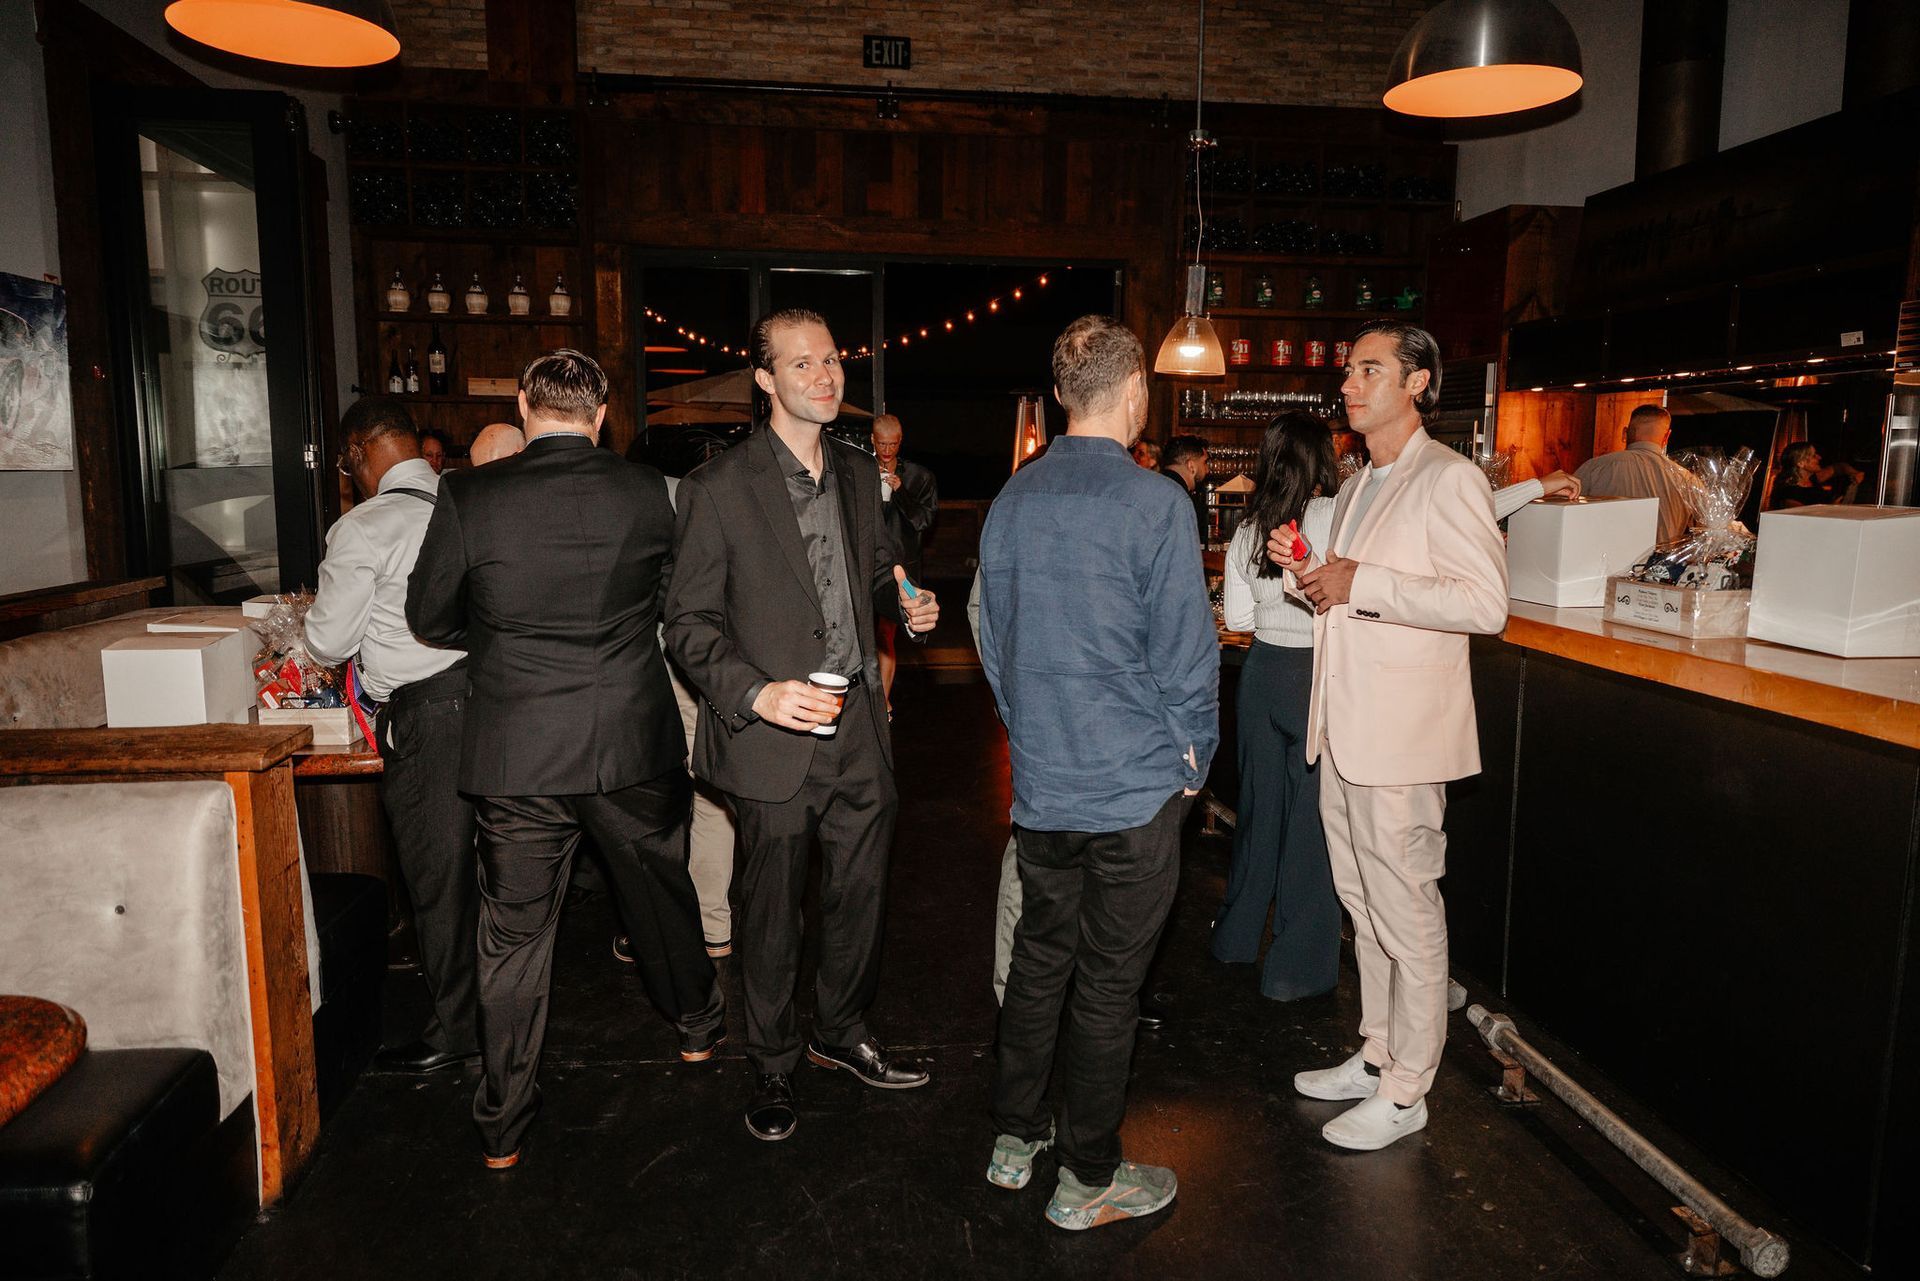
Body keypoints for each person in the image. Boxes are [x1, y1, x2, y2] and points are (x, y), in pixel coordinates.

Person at [407, 350, 723, 1169]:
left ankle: (503, 1124)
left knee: (512, 937)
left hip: (518, 753)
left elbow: (430, 617)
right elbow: (676, 602)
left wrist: (503, 634)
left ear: (523, 404)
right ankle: (693, 1025)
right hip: (629, 738)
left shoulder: (469, 494)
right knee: (659, 890)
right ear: (602, 412)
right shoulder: (652, 493)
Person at [664, 308, 940, 1143]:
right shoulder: (718, 487)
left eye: (833, 360)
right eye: (803, 364)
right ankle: (773, 1061)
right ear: (765, 380)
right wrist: (759, 694)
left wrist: (909, 602)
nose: (826, 376)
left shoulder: (860, 475)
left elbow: (879, 574)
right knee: (773, 906)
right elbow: (688, 625)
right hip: (772, 732)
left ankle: (841, 1027)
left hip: (859, 723)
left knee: (860, 891)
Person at [977, 315, 1217, 1230]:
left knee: (1040, 960)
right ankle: (1087, 1176)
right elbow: (1188, 660)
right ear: (1134, 395)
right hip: (1130, 789)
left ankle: (1014, 1137)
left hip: (1044, 784)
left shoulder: (1012, 500)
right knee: (1110, 982)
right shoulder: (1157, 503)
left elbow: (994, 643)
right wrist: (1193, 762)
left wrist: (1030, 730)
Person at [1267, 321, 1507, 1152]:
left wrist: (1360, 580)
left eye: (1370, 369)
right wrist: (1310, 574)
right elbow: (1352, 600)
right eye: (1348, 370)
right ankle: (1377, 1055)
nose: (1349, 383)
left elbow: (1484, 604)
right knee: (1365, 909)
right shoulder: (1364, 481)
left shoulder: (1451, 479)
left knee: (1408, 913)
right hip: (1346, 731)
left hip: (1404, 740)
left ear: (1419, 383)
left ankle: (1411, 1088)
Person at [305, 398, 478, 1076]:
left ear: (358, 452)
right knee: (489, 878)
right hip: (495, 701)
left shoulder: (364, 526)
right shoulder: (468, 502)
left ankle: (457, 1035)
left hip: (429, 715)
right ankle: (498, 1017)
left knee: (438, 882)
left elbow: (327, 638)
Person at [1214, 413, 1342, 1003]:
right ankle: (1294, 970)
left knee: (1258, 813)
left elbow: (1237, 621)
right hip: (1317, 674)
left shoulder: (1249, 528)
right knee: (1310, 823)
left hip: (1261, 673)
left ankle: (1235, 940)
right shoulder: (1338, 516)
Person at [871, 413, 939, 701]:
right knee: (869, 636)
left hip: (902, 569)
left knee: (887, 634)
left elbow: (923, 521)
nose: (887, 451)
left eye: (893, 444)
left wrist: (901, 492)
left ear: (901, 442)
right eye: (882, 444)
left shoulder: (919, 477)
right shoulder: (859, 472)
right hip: (867, 564)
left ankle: (883, 701)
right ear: (872, 441)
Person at [1573, 404, 1700, 544]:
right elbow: (1710, 527)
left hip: (1601, 562)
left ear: (1624, 433)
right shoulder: (1687, 479)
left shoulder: (1595, 468)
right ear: (1667, 437)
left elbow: (1565, 516)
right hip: (1662, 564)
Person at [1769, 441, 1863, 509]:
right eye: (1814, 456)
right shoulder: (1788, 493)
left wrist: (1854, 473)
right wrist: (1829, 509)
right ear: (1801, 463)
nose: (1819, 457)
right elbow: (1801, 518)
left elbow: (1838, 468)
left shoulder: (1812, 478)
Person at [1161, 433, 1210, 541]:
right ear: (1191, 466)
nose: (1207, 470)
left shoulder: (1152, 488)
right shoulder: (1185, 500)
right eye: (1204, 462)